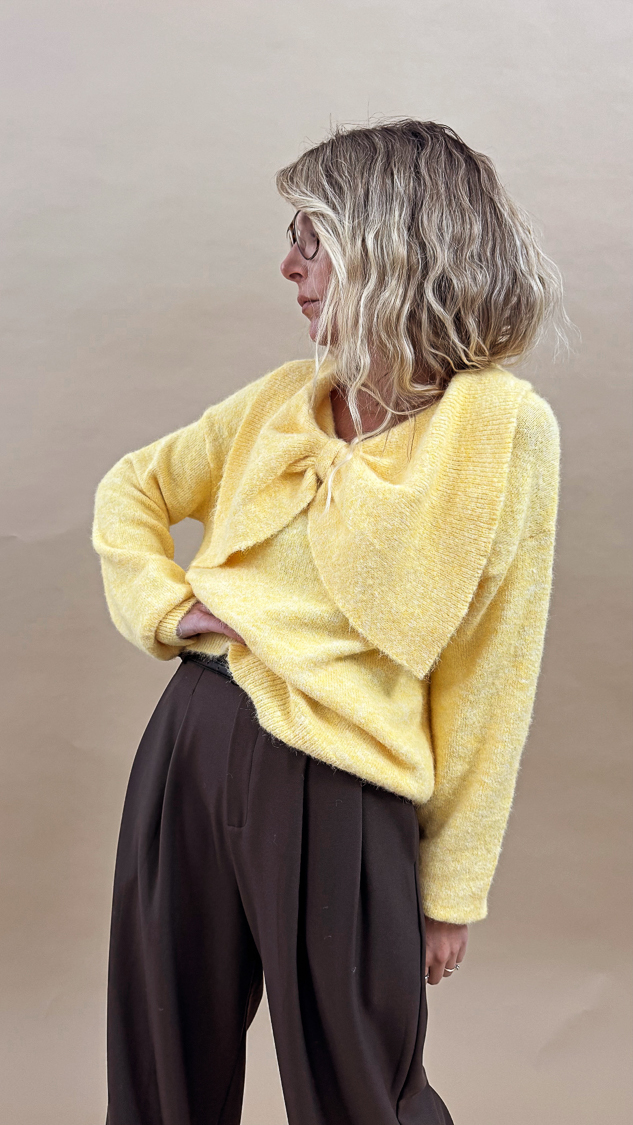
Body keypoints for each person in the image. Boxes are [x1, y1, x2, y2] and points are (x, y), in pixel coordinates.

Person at [92, 119, 563, 1125]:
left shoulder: (501, 430)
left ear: (389, 246)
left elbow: (493, 672)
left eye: (313, 240)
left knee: (361, 1088)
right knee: (163, 1068)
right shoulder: (282, 400)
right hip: (191, 743)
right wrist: (167, 608)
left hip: (340, 782)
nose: (289, 268)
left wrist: (451, 889)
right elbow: (133, 488)